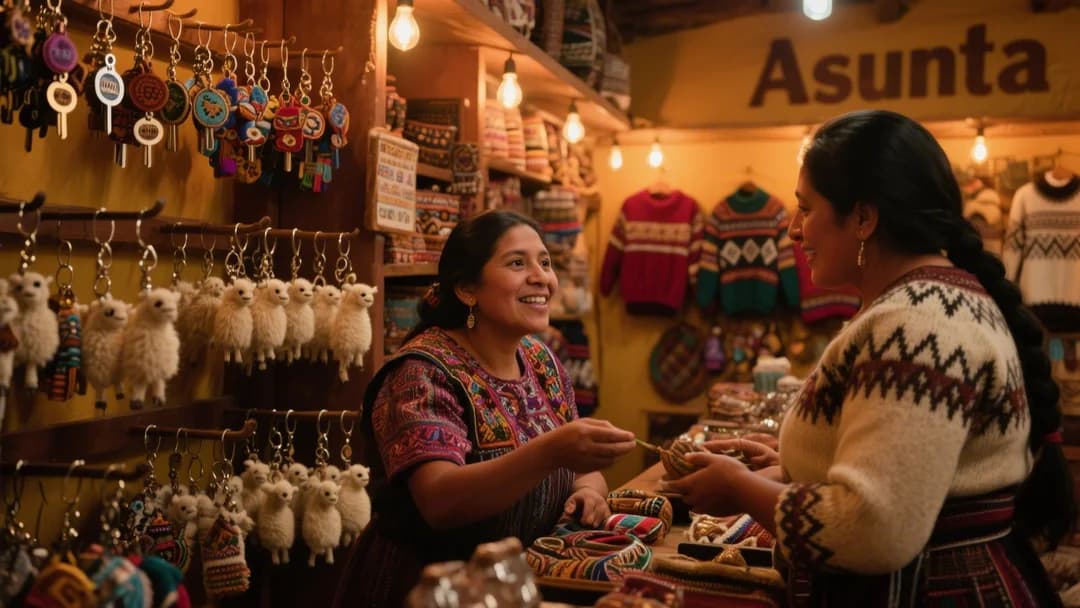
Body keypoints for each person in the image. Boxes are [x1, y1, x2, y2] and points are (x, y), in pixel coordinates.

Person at [665, 110, 1074, 606]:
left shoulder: (916, 325)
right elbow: (914, 473)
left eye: (806, 209)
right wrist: (793, 468)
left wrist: (741, 491)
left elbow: (875, 526)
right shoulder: (920, 307)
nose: (794, 231)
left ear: (863, 217)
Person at [334, 209, 636, 607]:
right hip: (427, 592)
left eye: (544, 263)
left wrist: (587, 491)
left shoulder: (540, 361)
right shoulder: (421, 374)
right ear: (466, 289)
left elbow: (582, 467)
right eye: (517, 263)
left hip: (510, 588)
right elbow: (439, 501)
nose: (541, 277)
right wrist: (550, 452)